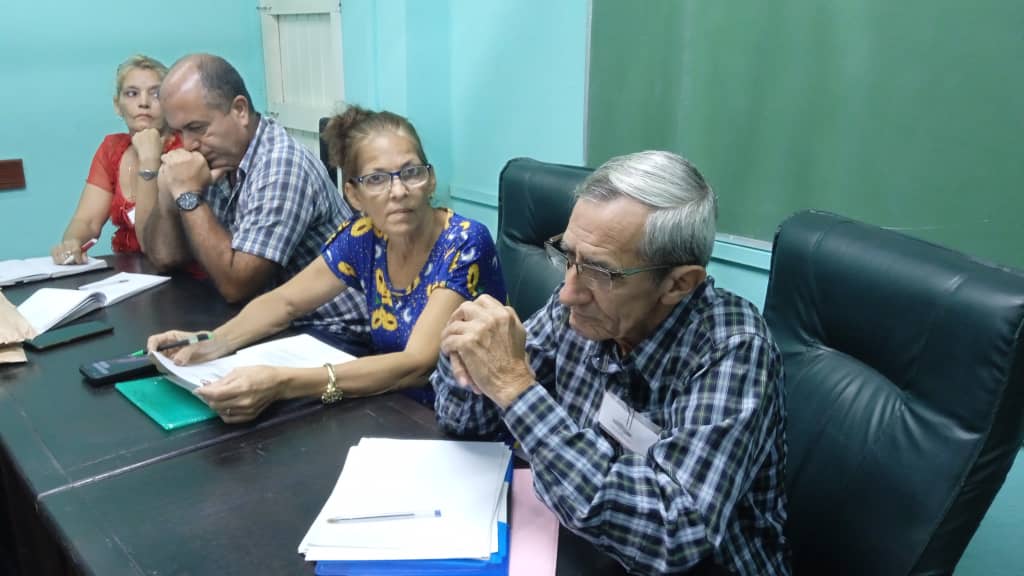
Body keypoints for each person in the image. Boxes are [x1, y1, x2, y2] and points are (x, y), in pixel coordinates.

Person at [433, 151, 790, 575]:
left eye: (602, 273)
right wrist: (466, 354)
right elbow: (466, 422)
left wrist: (514, 386)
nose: (567, 292)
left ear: (679, 284)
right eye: (568, 257)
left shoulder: (734, 348)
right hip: (577, 546)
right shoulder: (583, 308)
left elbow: (671, 533)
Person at [147, 106, 507, 422]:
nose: (399, 191)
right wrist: (211, 341)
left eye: (411, 173)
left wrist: (282, 383)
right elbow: (284, 302)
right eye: (377, 179)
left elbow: (416, 364)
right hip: (394, 409)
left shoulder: (463, 241)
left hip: (467, 420)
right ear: (354, 194)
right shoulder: (364, 236)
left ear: (430, 180)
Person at [140, 54, 366, 344]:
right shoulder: (213, 158)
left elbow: (237, 286)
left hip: (335, 332)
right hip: (271, 320)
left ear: (240, 110)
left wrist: (188, 196)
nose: (187, 144)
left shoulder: (281, 165)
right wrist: (167, 193)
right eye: (178, 132)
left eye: (197, 128)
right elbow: (165, 258)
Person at [51, 55, 181, 265]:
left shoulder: (183, 150)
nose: (144, 103)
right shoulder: (112, 149)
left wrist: (149, 161)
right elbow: (87, 220)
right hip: (129, 272)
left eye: (155, 93)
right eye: (132, 93)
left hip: (178, 274)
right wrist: (72, 243)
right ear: (117, 105)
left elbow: (151, 245)